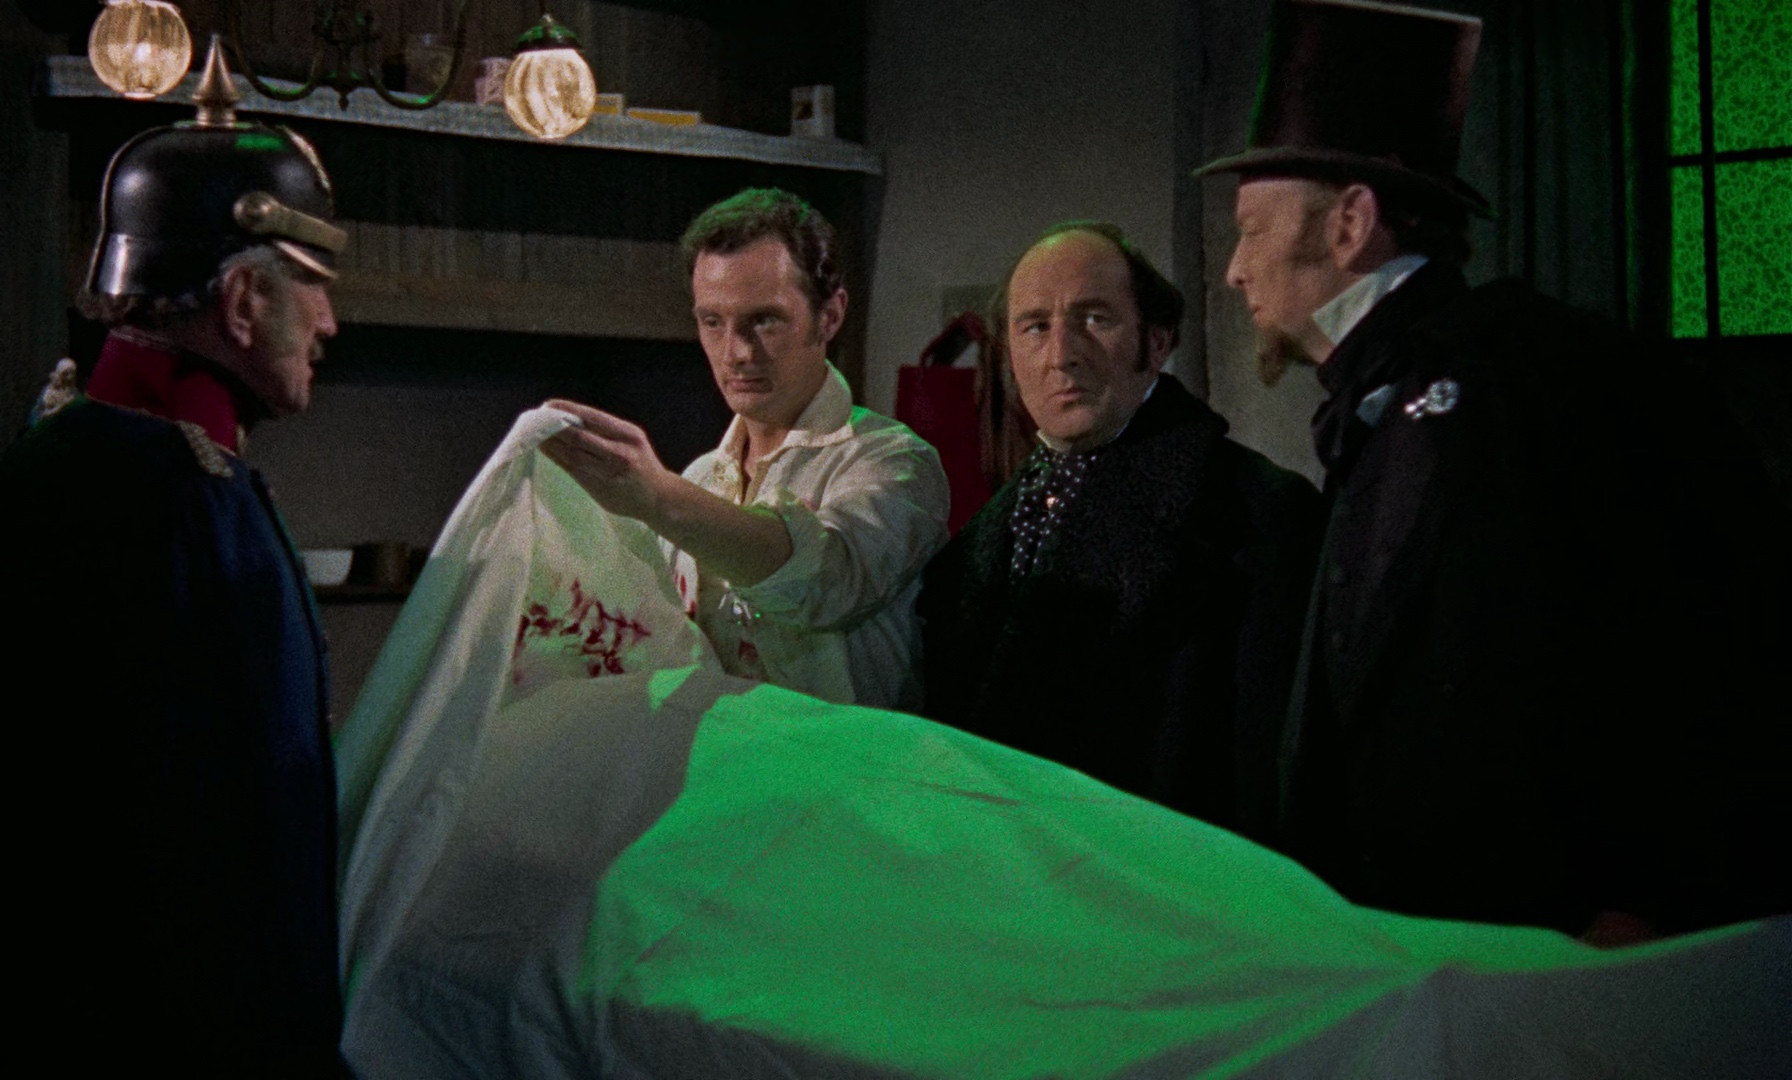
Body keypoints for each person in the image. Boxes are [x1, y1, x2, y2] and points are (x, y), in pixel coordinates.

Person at [1200, 0, 1791, 938]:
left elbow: (1710, 629)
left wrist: (1647, 890)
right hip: (1417, 938)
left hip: (1545, 943)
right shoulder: (1384, 401)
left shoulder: (1540, 381)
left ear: (1350, 223)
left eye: (1252, 230)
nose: (1235, 270)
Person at [0, 45, 347, 1075]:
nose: (330, 323)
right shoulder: (196, 509)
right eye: (312, 289)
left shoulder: (49, 459)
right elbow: (241, 862)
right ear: (241, 303)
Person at [919, 222, 1319, 837]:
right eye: (1035, 327)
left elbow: (1270, 776)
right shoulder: (977, 543)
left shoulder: (1255, 514)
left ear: (1156, 343)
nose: (1062, 354)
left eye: (1095, 319)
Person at [543, 189, 949, 710]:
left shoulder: (894, 462)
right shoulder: (699, 479)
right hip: (726, 756)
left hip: (843, 759)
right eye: (713, 322)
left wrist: (660, 499)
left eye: (764, 320)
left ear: (829, 316)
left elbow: (827, 583)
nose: (736, 352)